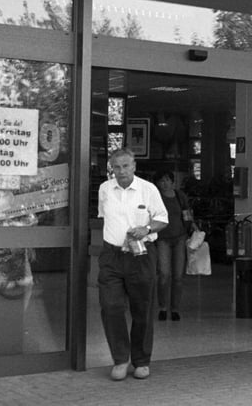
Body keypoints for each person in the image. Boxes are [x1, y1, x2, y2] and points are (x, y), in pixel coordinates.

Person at [97, 148, 168, 381]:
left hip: (141, 255)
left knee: (142, 309)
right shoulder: (105, 189)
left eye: (126, 166)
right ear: (111, 169)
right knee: (111, 306)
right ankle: (120, 359)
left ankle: (141, 361)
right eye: (116, 167)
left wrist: (146, 229)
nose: (121, 171)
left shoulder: (148, 189)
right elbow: (104, 218)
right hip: (112, 256)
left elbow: (162, 219)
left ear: (134, 166)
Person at [152, 169, 191, 322]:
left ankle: (175, 308)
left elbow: (186, 213)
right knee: (164, 274)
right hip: (162, 239)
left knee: (178, 276)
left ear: (172, 181)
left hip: (180, 238)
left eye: (168, 180)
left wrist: (190, 227)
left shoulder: (180, 196)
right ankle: (162, 307)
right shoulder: (156, 198)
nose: (165, 183)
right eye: (161, 180)